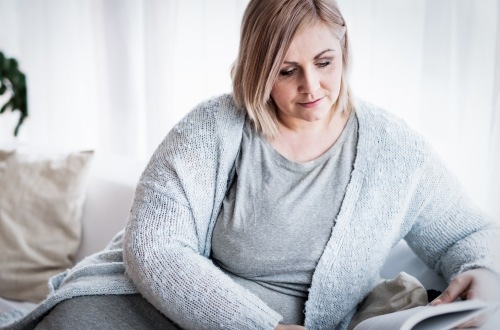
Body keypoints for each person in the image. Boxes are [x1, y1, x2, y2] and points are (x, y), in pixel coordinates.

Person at [2, 0, 499, 329]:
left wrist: (483, 270)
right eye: (287, 71)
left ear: (345, 51)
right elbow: (154, 249)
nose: (312, 88)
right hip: (145, 306)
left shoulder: (395, 151)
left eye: (324, 62)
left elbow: (466, 233)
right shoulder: (212, 128)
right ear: (258, 67)